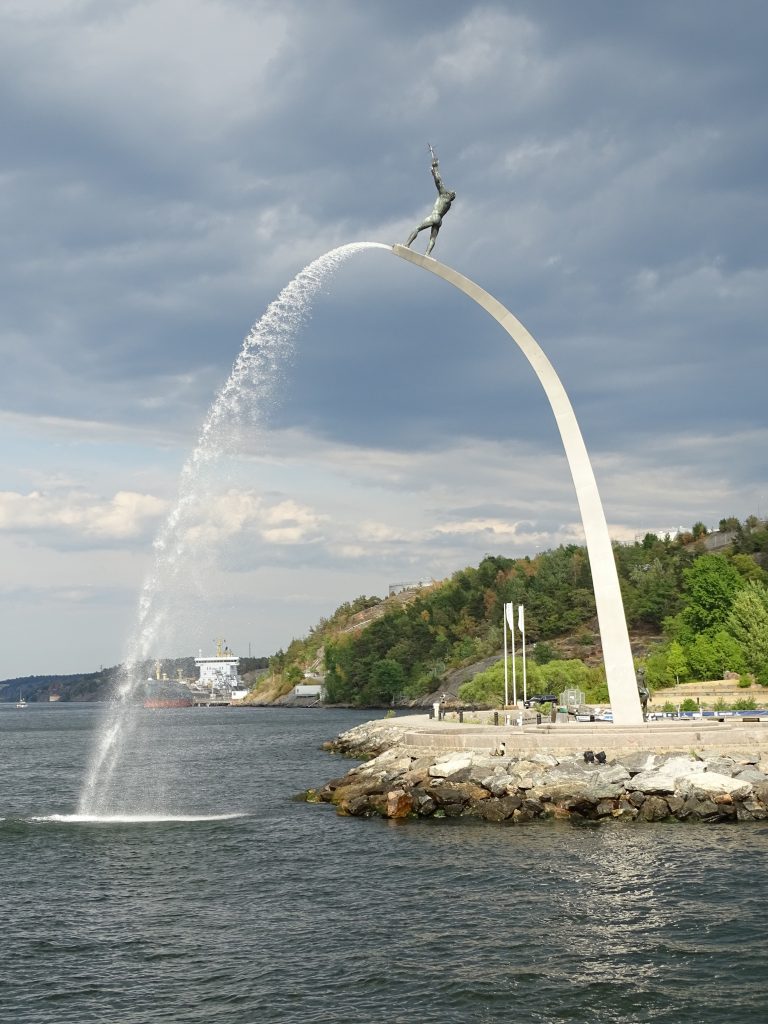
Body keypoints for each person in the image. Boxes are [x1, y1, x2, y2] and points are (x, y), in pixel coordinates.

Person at [404, 145, 456, 256]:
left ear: (448, 194)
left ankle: (407, 245)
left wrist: (435, 168)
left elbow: (439, 181)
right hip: (440, 221)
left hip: (434, 216)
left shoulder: (443, 196)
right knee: (433, 238)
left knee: (418, 227)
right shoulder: (448, 204)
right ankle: (427, 253)